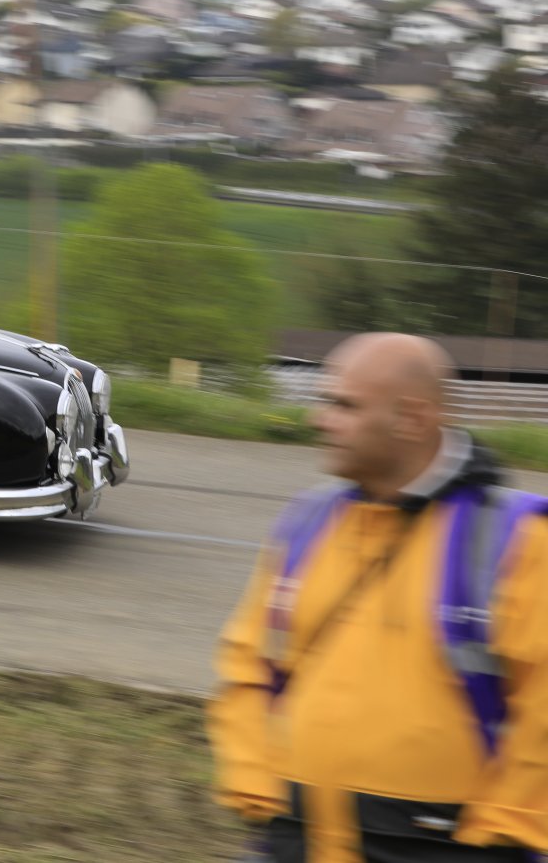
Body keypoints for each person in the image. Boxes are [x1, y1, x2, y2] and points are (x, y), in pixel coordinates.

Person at [208, 333, 548, 862]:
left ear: (412, 417)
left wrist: (507, 825)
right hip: (299, 835)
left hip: (439, 845)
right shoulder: (310, 521)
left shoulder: (518, 539)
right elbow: (248, 663)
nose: (319, 419)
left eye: (343, 405)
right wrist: (254, 779)